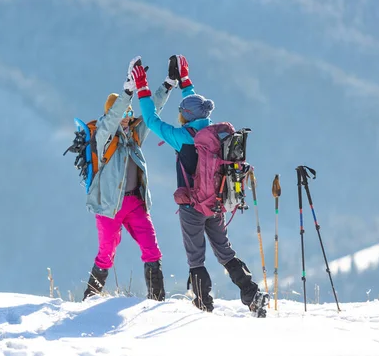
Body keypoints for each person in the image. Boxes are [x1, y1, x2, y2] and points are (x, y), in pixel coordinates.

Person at [130, 54, 269, 316]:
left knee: (196, 259)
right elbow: (197, 105)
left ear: (186, 116)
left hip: (193, 207)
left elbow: (151, 121)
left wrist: (143, 89)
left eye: (182, 112)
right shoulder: (216, 134)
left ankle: (204, 307)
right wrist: (185, 81)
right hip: (216, 203)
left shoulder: (182, 137)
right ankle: (251, 294)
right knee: (225, 253)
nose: (180, 114)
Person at [83, 57, 177, 302]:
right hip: (109, 207)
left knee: (152, 251)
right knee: (105, 256)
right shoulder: (102, 138)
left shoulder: (134, 135)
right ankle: (88, 301)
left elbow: (151, 111)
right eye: (121, 112)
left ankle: (157, 301)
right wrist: (127, 91)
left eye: (128, 111)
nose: (126, 116)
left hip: (134, 203)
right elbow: (111, 120)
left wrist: (167, 85)